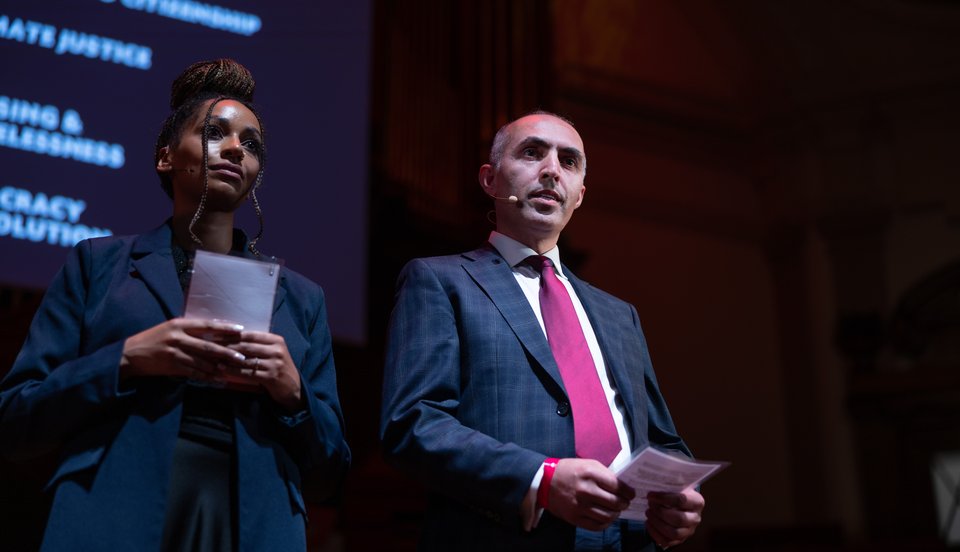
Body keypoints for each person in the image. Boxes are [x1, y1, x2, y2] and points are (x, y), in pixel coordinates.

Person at [0, 59, 350, 551]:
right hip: (114, 513)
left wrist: (293, 393)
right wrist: (126, 360)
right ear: (165, 157)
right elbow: (15, 421)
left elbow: (330, 473)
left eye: (251, 145)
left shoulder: (302, 298)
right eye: (215, 133)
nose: (235, 149)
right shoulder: (98, 265)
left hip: (252, 526)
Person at [381, 111, 704, 551]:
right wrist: (543, 479)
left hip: (629, 540)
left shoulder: (619, 314)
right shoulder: (441, 281)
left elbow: (663, 440)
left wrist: (680, 495)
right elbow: (414, 423)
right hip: (506, 535)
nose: (552, 170)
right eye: (532, 153)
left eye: (568, 162)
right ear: (490, 180)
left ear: (580, 195)